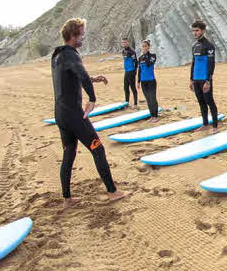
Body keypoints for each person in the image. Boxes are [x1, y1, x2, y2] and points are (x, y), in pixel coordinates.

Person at [52, 18, 126, 208]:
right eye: (82, 34)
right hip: (74, 114)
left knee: (69, 153)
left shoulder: (58, 55)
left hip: (60, 113)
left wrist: (93, 79)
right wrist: (92, 99)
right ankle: (112, 192)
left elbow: (71, 76)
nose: (83, 37)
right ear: (73, 34)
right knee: (98, 149)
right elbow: (80, 73)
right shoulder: (71, 53)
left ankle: (67, 199)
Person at [188, 20, 218, 131]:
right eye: (193, 31)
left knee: (209, 101)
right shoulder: (194, 46)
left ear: (203, 31)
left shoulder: (209, 45)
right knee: (201, 102)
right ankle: (205, 124)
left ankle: (215, 126)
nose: (195, 33)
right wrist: (191, 79)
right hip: (196, 79)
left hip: (205, 79)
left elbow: (211, 64)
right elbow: (193, 63)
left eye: (197, 30)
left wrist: (208, 80)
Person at [138, 39, 159, 121]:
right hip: (143, 81)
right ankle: (152, 115)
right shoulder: (140, 58)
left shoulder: (153, 56)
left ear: (148, 47)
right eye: (143, 46)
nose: (144, 48)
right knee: (148, 99)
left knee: (152, 98)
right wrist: (138, 81)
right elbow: (139, 70)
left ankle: (155, 116)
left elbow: (148, 64)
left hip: (151, 81)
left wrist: (146, 55)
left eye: (145, 46)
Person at [121, 38, 139, 106]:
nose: (124, 44)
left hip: (131, 71)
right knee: (125, 87)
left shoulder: (132, 51)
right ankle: (127, 102)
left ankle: (135, 103)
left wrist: (135, 72)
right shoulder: (123, 51)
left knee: (133, 87)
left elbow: (136, 62)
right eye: (123, 42)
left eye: (125, 42)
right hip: (126, 71)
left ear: (128, 43)